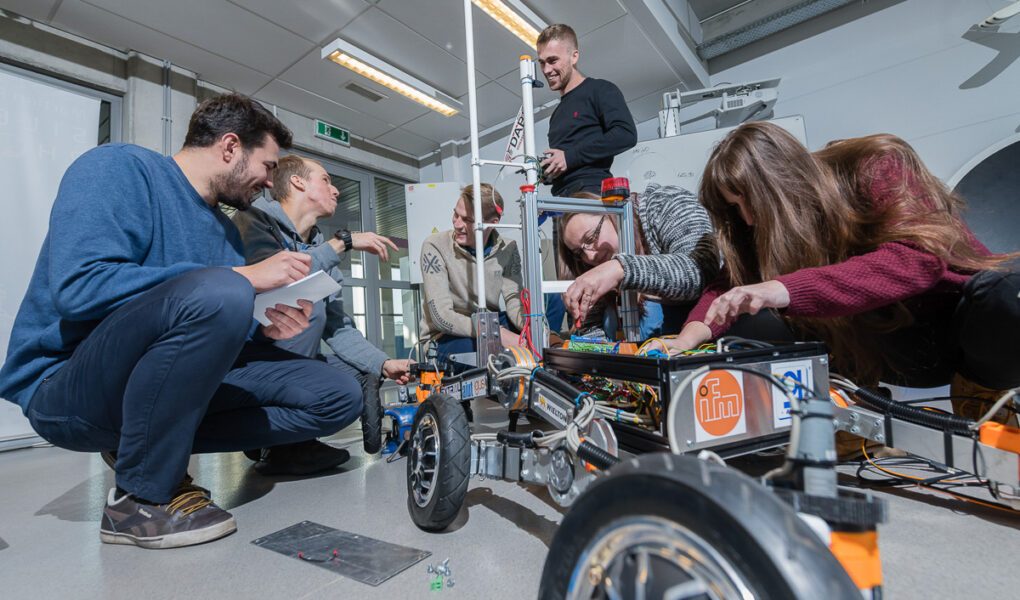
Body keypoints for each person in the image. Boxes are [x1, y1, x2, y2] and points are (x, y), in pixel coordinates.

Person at [0, 93, 364, 549]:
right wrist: (239, 278)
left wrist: (266, 326)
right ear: (230, 147)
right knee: (225, 287)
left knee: (336, 394)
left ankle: (147, 441)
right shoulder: (117, 168)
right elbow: (80, 289)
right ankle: (139, 499)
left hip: (153, 388)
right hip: (65, 386)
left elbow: (207, 323)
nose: (271, 184)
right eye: (268, 167)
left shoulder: (226, 230)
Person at [670, 121, 1020, 416]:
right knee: (792, 312)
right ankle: (851, 411)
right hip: (898, 356)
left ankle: (983, 391)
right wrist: (686, 339)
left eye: (750, 200)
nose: (746, 218)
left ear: (780, 179)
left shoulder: (876, 163)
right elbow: (726, 288)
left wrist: (785, 288)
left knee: (1006, 294)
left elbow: (921, 258)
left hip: (963, 333)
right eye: (735, 207)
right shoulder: (758, 227)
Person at [232, 154, 413, 473]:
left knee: (359, 371)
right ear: (297, 182)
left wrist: (384, 363)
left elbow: (339, 328)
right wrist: (343, 243)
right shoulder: (253, 218)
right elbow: (280, 283)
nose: (337, 190)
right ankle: (286, 446)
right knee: (306, 306)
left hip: (290, 363)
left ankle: (269, 436)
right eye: (326, 180)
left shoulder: (320, 248)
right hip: (247, 359)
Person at [558, 184, 719, 336]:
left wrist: (621, 269)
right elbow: (589, 328)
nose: (590, 256)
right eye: (579, 252)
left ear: (610, 213)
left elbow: (701, 270)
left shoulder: (665, 204)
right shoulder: (590, 261)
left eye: (591, 237)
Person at [419, 183, 525, 370]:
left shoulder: (508, 248)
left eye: (467, 219)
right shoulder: (435, 246)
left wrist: (528, 330)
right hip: (446, 335)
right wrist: (495, 333)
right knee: (477, 353)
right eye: (456, 214)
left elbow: (513, 299)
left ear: (491, 223)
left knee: (552, 301)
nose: (457, 224)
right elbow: (441, 316)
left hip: (489, 321)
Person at [537, 24, 637, 197]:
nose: (546, 70)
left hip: (590, 193)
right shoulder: (556, 115)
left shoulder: (600, 90)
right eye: (542, 63)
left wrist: (569, 157)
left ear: (574, 56)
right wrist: (549, 171)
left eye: (553, 61)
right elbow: (568, 162)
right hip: (561, 200)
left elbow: (626, 134)